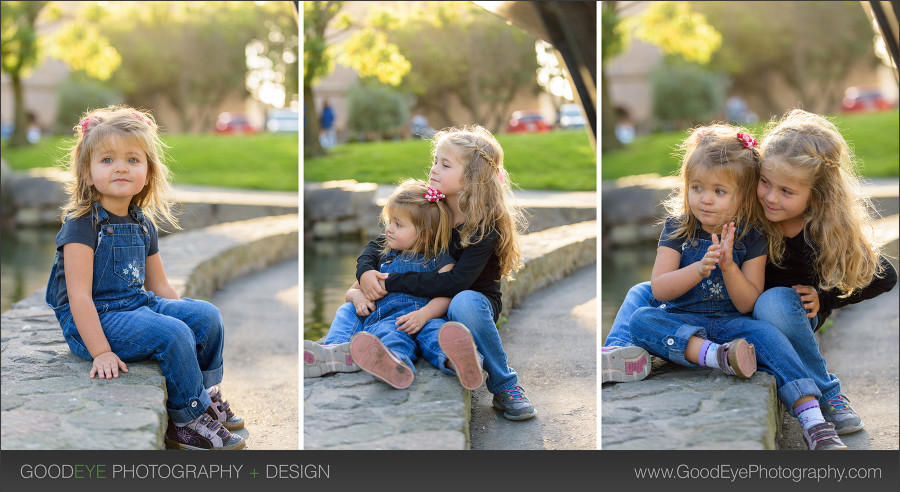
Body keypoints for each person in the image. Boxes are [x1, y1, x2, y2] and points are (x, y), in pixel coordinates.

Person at [607, 124, 849, 450]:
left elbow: (749, 303)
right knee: (642, 319)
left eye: (719, 192)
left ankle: (813, 421)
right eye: (696, 188)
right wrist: (697, 269)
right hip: (685, 319)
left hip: (734, 324)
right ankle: (715, 357)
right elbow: (660, 290)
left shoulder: (752, 236)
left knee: (770, 338)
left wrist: (729, 267)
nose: (705, 200)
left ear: (744, 196)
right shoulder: (678, 230)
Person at [44, 106, 245, 450]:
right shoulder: (81, 226)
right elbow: (78, 297)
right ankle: (186, 419)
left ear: (149, 173)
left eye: (132, 160)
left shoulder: (142, 223)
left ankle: (206, 394)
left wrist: (189, 317)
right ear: (88, 174)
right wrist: (101, 352)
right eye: (107, 160)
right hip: (94, 320)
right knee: (173, 334)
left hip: (136, 306)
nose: (121, 166)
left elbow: (160, 286)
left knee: (206, 316)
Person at [312, 125, 536, 421]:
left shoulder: (485, 227)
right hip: (418, 305)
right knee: (359, 313)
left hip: (466, 306)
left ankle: (505, 385)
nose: (434, 169)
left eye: (445, 164)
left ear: (472, 177)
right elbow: (383, 242)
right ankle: (337, 351)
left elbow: (456, 282)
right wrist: (366, 273)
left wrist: (390, 281)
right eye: (435, 161)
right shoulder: (434, 204)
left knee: (463, 301)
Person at [753, 109, 897, 435]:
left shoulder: (821, 233)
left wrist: (825, 298)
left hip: (790, 314)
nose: (771, 197)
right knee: (647, 292)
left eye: (787, 192)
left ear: (816, 197)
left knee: (773, 302)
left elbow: (885, 276)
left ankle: (829, 394)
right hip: (744, 312)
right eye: (765, 182)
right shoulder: (754, 216)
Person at [308, 179, 463, 389]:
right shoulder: (384, 258)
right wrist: (359, 296)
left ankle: (456, 361)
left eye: (398, 224)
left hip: (424, 318)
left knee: (437, 335)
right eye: (390, 221)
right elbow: (351, 292)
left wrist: (424, 314)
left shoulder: (439, 259)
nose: (388, 229)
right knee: (349, 311)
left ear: (425, 235)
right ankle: (335, 350)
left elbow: (448, 291)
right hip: (384, 319)